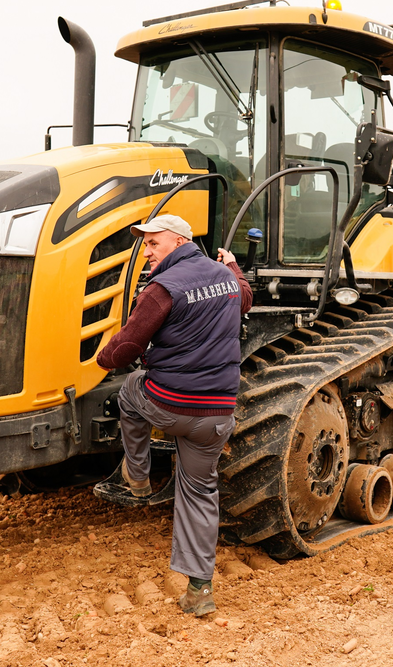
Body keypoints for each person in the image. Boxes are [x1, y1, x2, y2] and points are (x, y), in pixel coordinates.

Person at [95, 214, 253, 617]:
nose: (147, 252)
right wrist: (233, 264)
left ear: (179, 241)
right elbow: (246, 296)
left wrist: (101, 358)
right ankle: (200, 591)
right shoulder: (226, 278)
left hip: (169, 405)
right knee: (200, 492)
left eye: (154, 244)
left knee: (130, 390)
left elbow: (127, 346)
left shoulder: (162, 288)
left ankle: (139, 476)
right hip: (216, 414)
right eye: (146, 245)